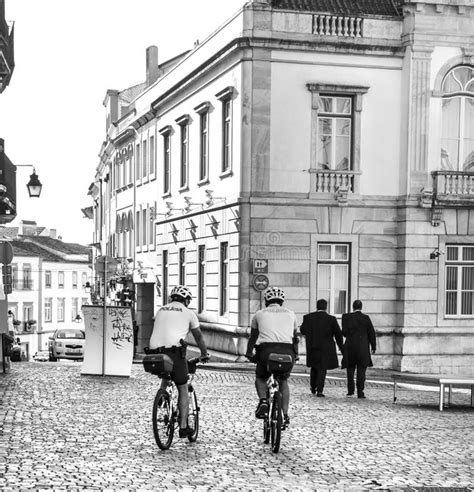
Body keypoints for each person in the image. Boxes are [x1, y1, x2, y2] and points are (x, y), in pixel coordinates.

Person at [148, 285, 209, 438]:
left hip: (153, 353)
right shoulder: (188, 313)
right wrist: (204, 354)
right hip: (174, 353)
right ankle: (183, 426)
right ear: (186, 300)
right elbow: (199, 337)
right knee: (182, 387)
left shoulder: (160, 310)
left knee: (166, 374)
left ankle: (163, 397)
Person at [245, 286, 298, 428]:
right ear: (282, 301)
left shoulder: (259, 314)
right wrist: (296, 355)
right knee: (283, 380)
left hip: (266, 351)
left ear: (266, 301)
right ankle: (285, 415)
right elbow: (295, 338)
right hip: (287, 352)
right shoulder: (291, 314)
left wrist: (249, 353)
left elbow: (253, 337)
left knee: (261, 377)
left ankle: (263, 401)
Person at [300, 298, 344, 397]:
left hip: (313, 347)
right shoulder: (331, 319)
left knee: (314, 367)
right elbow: (338, 334)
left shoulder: (308, 317)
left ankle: (313, 387)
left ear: (317, 306)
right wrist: (341, 347)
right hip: (326, 348)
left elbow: (303, 330)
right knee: (322, 369)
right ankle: (320, 390)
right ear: (326, 307)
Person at [341, 300, 376, 399]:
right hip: (362, 348)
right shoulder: (366, 318)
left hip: (350, 346)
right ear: (361, 307)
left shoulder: (346, 317)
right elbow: (371, 333)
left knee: (350, 370)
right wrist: (373, 347)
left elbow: (344, 333)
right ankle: (360, 392)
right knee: (361, 371)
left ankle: (350, 391)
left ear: (353, 307)